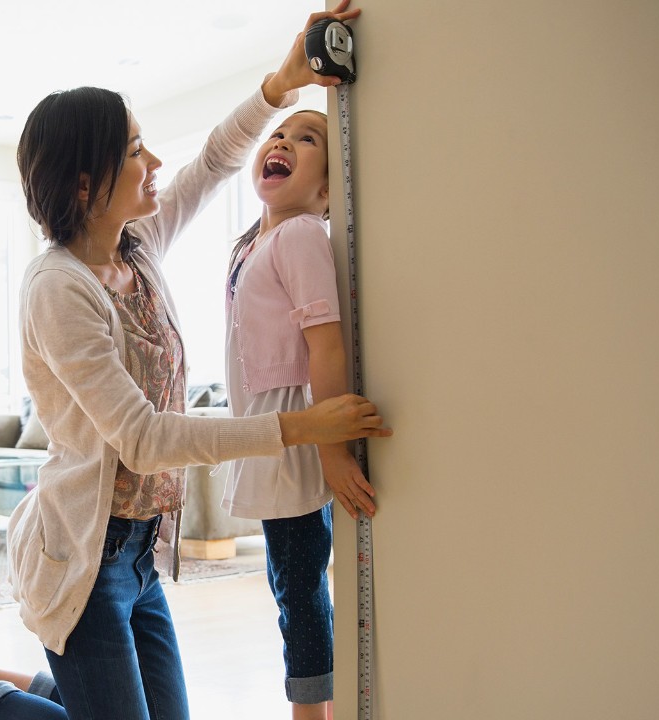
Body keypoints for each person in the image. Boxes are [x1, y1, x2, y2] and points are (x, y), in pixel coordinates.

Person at [0, 3, 379, 719]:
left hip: (138, 558)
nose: (155, 163)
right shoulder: (58, 290)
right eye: (134, 151)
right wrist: (300, 427)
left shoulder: (137, 248)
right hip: (83, 561)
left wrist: (282, 84)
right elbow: (145, 437)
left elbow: (217, 159)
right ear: (82, 184)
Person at [218, 100, 374, 720]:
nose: (282, 141)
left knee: (299, 586)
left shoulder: (304, 234)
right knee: (291, 582)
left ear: (328, 191)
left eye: (307, 139)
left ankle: (312, 712)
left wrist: (332, 451)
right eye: (279, 133)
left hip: (295, 438)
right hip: (267, 432)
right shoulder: (254, 240)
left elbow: (325, 341)